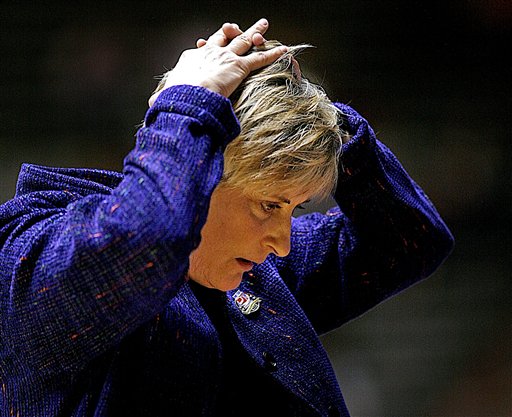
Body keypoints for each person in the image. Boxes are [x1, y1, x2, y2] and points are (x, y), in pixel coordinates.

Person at [0, 18, 454, 417]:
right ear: (202, 167)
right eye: (269, 206)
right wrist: (189, 101)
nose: (284, 242)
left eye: (293, 209)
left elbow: (411, 239)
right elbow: (146, 239)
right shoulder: (31, 251)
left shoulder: (251, 274)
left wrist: (308, 112)